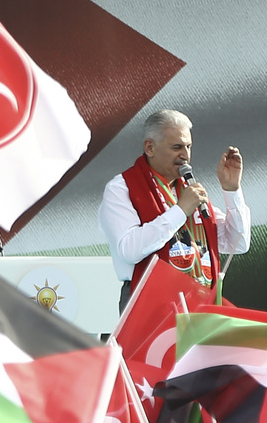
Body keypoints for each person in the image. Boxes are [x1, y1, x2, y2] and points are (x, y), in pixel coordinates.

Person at [98, 109, 252, 312]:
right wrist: (180, 211)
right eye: (177, 147)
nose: (185, 156)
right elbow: (129, 250)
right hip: (148, 300)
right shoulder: (122, 188)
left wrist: (232, 191)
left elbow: (237, 243)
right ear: (150, 147)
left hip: (199, 300)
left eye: (189, 147)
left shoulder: (189, 190)